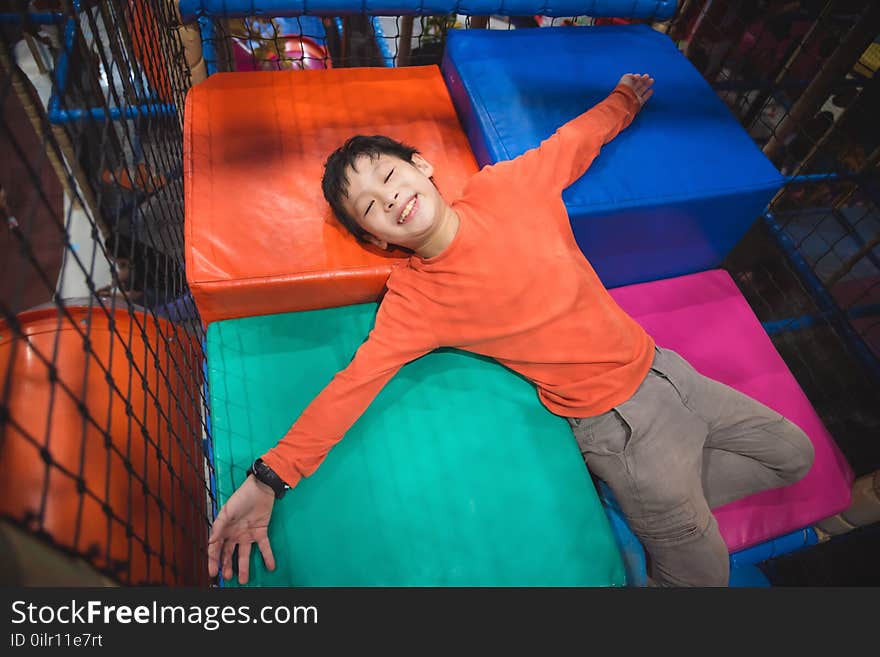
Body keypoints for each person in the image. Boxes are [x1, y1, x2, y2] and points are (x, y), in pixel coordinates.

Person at [207, 73, 815, 587]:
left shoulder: (504, 188)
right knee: (707, 574)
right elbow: (352, 386)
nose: (390, 200)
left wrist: (625, 99)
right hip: (620, 427)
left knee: (794, 455)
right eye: (370, 207)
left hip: (667, 369)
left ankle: (654, 509)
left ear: (421, 166)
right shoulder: (417, 299)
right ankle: (659, 509)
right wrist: (268, 479)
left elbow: (574, 142)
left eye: (388, 178)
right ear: (377, 240)